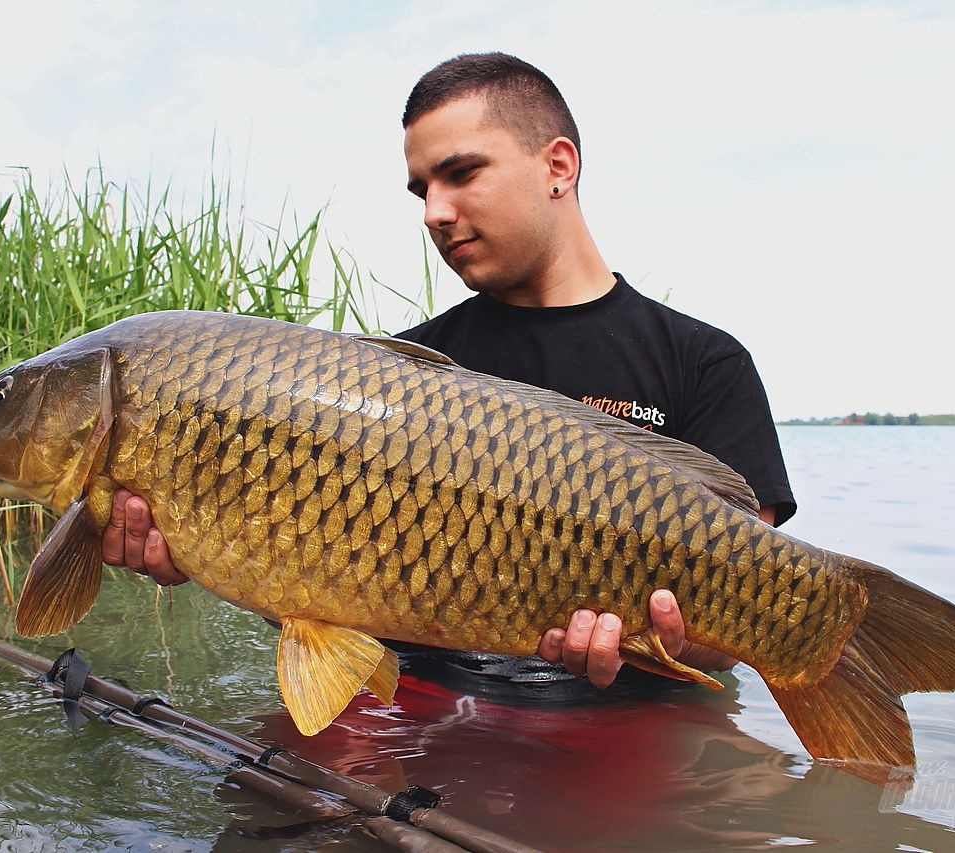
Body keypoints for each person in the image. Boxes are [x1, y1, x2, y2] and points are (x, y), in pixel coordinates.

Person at [103, 52, 795, 699]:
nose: (434, 211)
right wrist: (211, 551)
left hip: (611, 719)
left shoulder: (703, 363)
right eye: (421, 189)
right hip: (423, 706)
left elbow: (737, 639)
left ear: (558, 165)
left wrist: (674, 638)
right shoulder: (385, 381)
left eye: (461, 174)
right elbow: (323, 591)